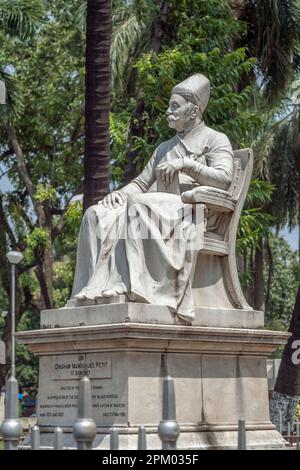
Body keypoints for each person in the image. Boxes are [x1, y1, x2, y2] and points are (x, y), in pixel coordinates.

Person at [71, 74, 233, 322]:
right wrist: (120, 194)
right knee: (96, 215)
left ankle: (128, 285)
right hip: (155, 208)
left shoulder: (215, 139)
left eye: (175, 106)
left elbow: (223, 179)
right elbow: (141, 183)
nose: (168, 111)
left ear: (194, 111)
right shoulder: (164, 148)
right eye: (169, 105)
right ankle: (94, 288)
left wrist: (187, 165)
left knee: (138, 206)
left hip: (191, 211)